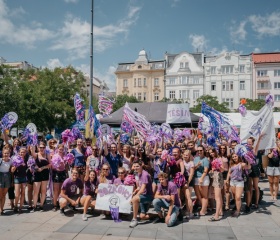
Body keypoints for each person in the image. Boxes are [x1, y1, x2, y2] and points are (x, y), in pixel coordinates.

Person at [130, 159, 153, 228]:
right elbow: (140, 187)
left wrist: (135, 196)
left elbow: (143, 189)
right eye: (134, 166)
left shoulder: (144, 174)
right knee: (142, 216)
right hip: (143, 195)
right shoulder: (139, 173)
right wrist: (135, 191)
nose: (136, 168)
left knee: (135, 199)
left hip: (148, 196)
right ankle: (158, 215)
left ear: (141, 166)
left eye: (137, 166)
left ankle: (134, 219)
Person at [226, 153, 251, 217]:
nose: (234, 158)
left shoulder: (241, 164)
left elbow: (248, 167)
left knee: (238, 197)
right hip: (232, 182)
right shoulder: (231, 164)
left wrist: (248, 160)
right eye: (233, 157)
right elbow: (229, 172)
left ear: (238, 157)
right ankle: (237, 207)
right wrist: (227, 180)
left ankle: (238, 211)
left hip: (239, 182)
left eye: (235, 156)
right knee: (234, 197)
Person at [30, 142, 51, 212]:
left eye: (43, 147)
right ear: (38, 148)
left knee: (43, 191)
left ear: (45, 148)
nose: (42, 149)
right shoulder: (36, 155)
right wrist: (32, 141)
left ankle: (41, 205)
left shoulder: (47, 154)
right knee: (36, 191)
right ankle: (34, 206)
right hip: (37, 173)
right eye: (40, 147)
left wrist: (42, 168)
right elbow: (32, 152)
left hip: (45, 173)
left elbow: (50, 164)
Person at [193, 145, 210, 216]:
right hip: (196, 178)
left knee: (204, 196)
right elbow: (193, 168)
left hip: (203, 178)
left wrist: (201, 179)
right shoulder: (195, 158)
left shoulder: (206, 159)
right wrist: (197, 165)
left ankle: (202, 211)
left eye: (201, 150)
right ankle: (204, 208)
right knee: (198, 195)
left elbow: (206, 170)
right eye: (198, 150)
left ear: (203, 151)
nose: (199, 152)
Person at [51, 144, 68, 211]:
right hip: (56, 173)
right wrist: (56, 168)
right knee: (56, 190)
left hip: (63, 173)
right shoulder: (55, 156)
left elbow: (66, 166)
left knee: (62, 190)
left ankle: (60, 203)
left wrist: (66, 172)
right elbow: (52, 166)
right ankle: (55, 205)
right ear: (57, 149)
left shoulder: (65, 156)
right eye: (60, 149)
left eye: (62, 149)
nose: (61, 150)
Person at [11, 147, 28, 213]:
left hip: (24, 178)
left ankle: (21, 207)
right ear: (19, 153)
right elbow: (12, 170)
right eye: (21, 152)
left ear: (25, 153)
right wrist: (16, 165)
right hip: (17, 178)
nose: (22, 153)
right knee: (17, 194)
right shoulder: (15, 159)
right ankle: (15, 206)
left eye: (23, 152)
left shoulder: (26, 159)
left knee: (23, 193)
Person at [182, 150, 194, 219]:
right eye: (184, 154)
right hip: (183, 179)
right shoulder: (182, 162)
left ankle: (191, 212)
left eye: (187, 155)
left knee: (188, 197)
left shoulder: (191, 163)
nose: (185, 156)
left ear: (189, 156)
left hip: (189, 180)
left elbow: (191, 174)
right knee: (186, 197)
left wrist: (188, 182)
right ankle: (187, 210)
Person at [0, 149, 12, 215]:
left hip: (7, 176)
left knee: (4, 194)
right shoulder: (0, 160)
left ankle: (2, 209)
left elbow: (13, 169)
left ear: (9, 154)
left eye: (7, 153)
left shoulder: (10, 161)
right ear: (2, 154)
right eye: (5, 153)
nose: (6, 154)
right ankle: (0, 209)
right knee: (0, 194)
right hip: (0, 176)